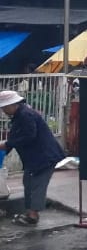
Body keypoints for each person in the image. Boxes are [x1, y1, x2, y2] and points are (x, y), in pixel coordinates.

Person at [0, 90, 65, 225]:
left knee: (37, 185)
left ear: (13, 105)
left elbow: (29, 135)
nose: (3, 111)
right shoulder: (20, 115)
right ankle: (30, 213)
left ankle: (33, 216)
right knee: (29, 183)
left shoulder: (25, 115)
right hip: (36, 157)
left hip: (44, 157)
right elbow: (15, 137)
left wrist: (7, 144)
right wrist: (6, 147)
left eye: (4, 107)